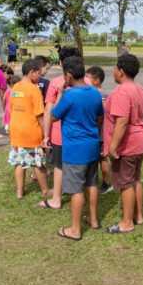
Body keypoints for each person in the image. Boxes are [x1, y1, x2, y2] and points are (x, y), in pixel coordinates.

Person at [49, 56, 104, 241]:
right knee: (92, 184)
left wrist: (60, 95)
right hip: (92, 145)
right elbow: (99, 117)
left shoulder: (70, 95)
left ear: (69, 75)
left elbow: (54, 116)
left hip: (74, 149)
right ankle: (94, 220)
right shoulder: (95, 93)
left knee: (76, 190)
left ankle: (75, 229)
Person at [103, 53, 143, 233]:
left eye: (115, 68)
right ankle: (138, 217)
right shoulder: (141, 89)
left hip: (128, 145)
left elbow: (122, 121)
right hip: (142, 140)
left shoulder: (122, 92)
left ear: (121, 72)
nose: (113, 71)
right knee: (135, 178)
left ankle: (127, 223)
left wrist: (112, 147)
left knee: (126, 183)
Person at [40, 46, 84, 210]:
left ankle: (56, 199)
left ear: (61, 63)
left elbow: (48, 110)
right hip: (82, 132)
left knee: (59, 166)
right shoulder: (87, 82)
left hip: (60, 132)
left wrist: (46, 135)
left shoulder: (56, 83)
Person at [8, 59, 50, 200]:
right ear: (31, 73)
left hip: (16, 130)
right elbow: (40, 115)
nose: (40, 76)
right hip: (30, 131)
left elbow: (12, 109)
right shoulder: (34, 89)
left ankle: (19, 192)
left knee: (19, 162)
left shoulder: (15, 87)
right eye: (39, 73)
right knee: (37, 162)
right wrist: (46, 135)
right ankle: (45, 191)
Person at [86, 65, 112, 194]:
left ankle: (107, 183)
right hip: (98, 134)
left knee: (102, 159)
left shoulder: (100, 96)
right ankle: (94, 182)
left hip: (100, 134)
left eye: (87, 77)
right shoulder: (106, 95)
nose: (84, 80)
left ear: (96, 80)